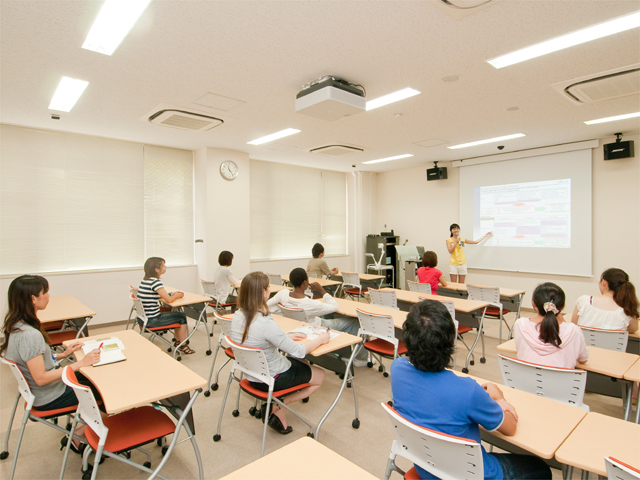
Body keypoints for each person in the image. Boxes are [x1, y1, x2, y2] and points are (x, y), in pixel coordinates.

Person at [390, 300, 551, 480]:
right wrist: (500, 400)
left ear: (407, 339)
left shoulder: (397, 369)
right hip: (472, 475)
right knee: (541, 469)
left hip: (426, 469)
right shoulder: (468, 392)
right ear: (451, 341)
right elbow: (510, 428)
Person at [0, 275, 101, 453]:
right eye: (45, 292)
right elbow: (40, 378)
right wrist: (81, 363)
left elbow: (35, 361)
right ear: (33, 299)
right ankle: (80, 435)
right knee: (103, 392)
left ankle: (87, 425)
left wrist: (63, 354)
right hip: (50, 394)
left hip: (40, 392)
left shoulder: (15, 326)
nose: (48, 295)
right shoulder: (30, 335)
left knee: (93, 378)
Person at [231, 272, 329, 434]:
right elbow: (299, 351)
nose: (270, 289)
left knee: (302, 365)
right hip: (272, 379)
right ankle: (277, 404)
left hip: (251, 375)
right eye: (268, 287)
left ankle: (278, 414)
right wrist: (321, 339)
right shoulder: (265, 322)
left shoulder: (237, 315)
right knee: (320, 376)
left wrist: (284, 337)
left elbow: (256, 338)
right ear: (263, 292)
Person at [267, 267, 369, 366]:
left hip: (295, 327)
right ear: (305, 283)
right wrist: (322, 291)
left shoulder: (282, 294)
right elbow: (334, 306)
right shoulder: (310, 303)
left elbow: (267, 305)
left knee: (326, 316)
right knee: (354, 322)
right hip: (315, 327)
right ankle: (360, 359)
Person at [513, 282, 588, 369]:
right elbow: (583, 359)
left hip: (526, 380)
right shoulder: (574, 331)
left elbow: (520, 350)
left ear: (534, 304)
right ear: (563, 306)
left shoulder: (520, 324)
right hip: (562, 382)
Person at [138, 257, 195, 354]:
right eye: (163, 265)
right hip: (153, 320)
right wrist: (176, 296)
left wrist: (170, 294)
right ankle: (182, 346)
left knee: (177, 314)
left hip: (143, 319)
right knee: (181, 316)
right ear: (157, 270)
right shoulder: (155, 282)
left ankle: (178, 343)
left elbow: (161, 295)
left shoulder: (145, 281)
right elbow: (168, 300)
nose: (165, 267)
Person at [571, 268, 639, 333]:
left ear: (604, 282)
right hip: (613, 345)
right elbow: (633, 329)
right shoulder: (628, 308)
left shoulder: (584, 301)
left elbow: (573, 325)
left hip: (585, 345)